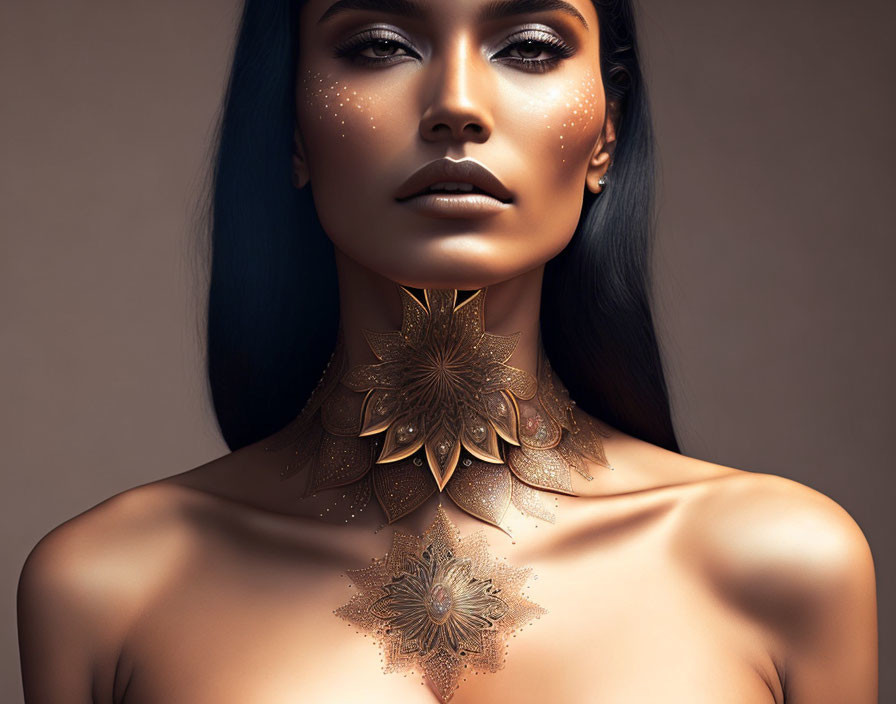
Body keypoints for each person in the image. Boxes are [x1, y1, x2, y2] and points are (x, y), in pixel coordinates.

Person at [17, 0, 878, 701]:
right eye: (382, 44)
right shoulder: (107, 588)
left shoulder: (783, 566)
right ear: (290, 124)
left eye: (532, 47)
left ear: (607, 129)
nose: (457, 103)